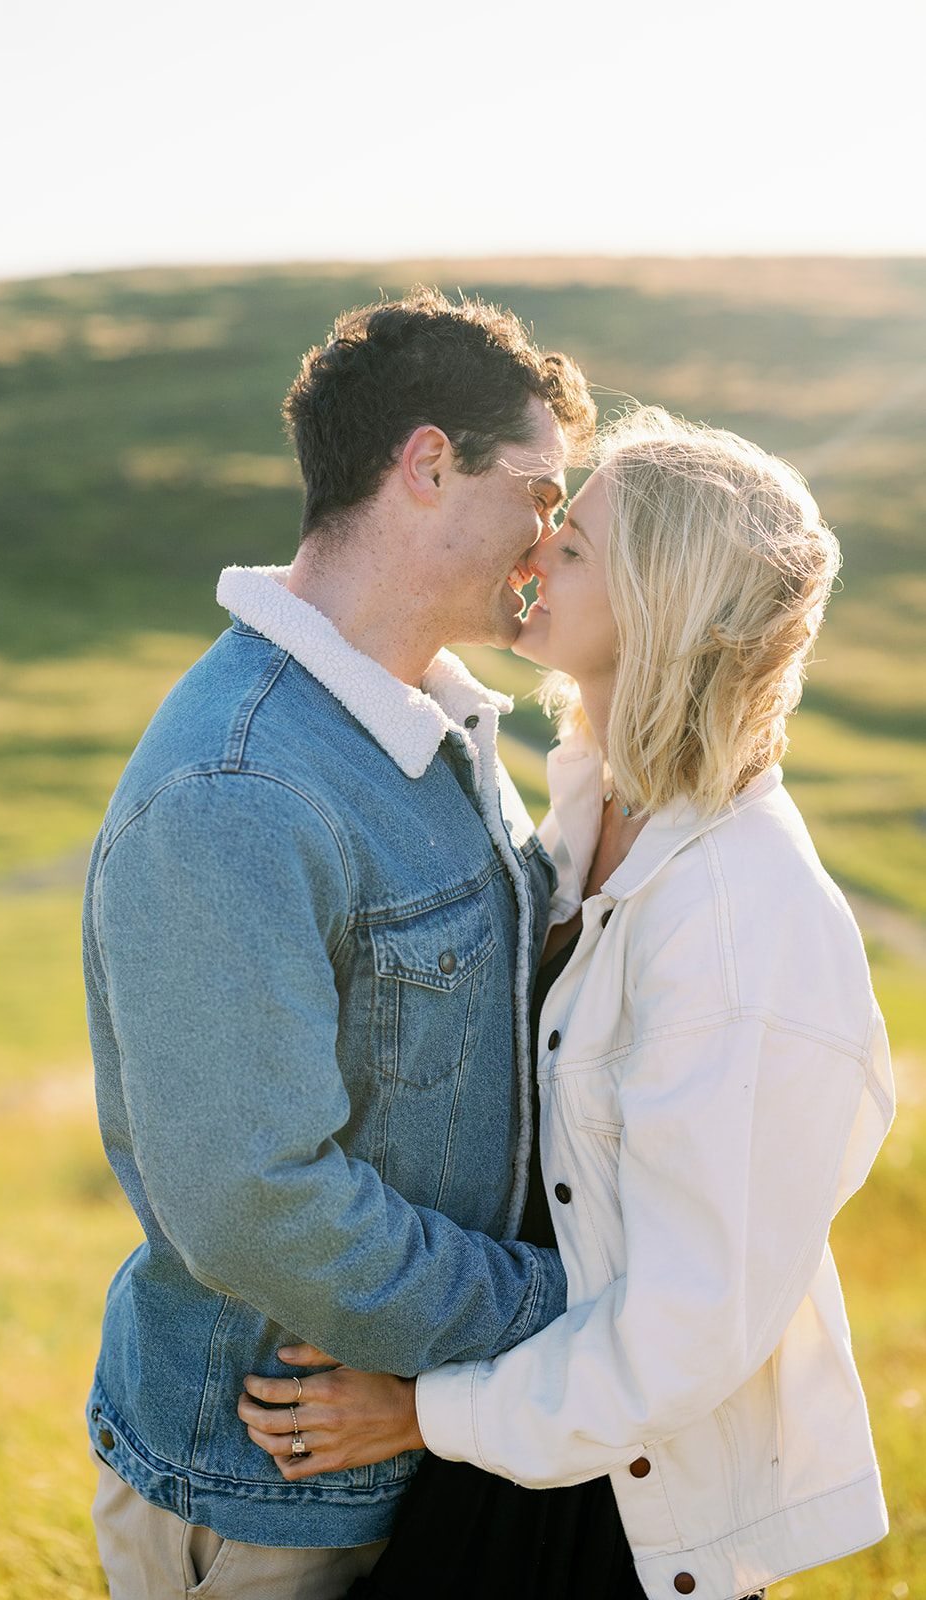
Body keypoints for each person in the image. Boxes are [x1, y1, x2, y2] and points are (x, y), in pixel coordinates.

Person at [239, 408, 896, 1600]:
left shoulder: (740, 921)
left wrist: (415, 1414)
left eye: (576, 544)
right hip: (515, 1444)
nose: (534, 554)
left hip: (612, 1517)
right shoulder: (598, 805)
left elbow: (685, 1332)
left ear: (663, 601)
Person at [81, 287, 597, 1599]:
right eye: (539, 493)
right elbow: (257, 1202)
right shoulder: (240, 789)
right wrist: (553, 1311)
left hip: (406, 1453)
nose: (551, 538)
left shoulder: (426, 722)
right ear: (426, 464)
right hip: (272, 1488)